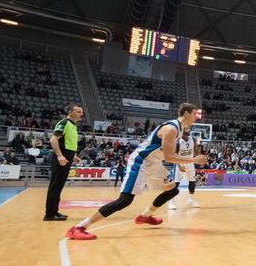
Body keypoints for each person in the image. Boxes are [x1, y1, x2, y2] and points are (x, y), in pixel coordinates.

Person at [64, 103, 208, 240]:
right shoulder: (171, 128)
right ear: (187, 113)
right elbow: (168, 156)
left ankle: (145, 216)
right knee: (125, 200)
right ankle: (79, 227)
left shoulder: (180, 129)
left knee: (172, 190)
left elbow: (166, 154)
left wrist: (180, 162)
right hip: (141, 162)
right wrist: (194, 160)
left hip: (154, 163)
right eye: (195, 114)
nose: (197, 117)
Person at [44, 104, 84, 221]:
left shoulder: (73, 125)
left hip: (67, 156)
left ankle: (54, 212)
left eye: (81, 112)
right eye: (78, 112)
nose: (81, 114)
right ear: (70, 112)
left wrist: (73, 156)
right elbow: (53, 139)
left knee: (59, 186)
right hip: (62, 158)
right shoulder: (64, 123)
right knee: (55, 186)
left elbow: (66, 143)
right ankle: (50, 214)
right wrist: (60, 156)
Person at [169, 126, 201, 209]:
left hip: (190, 162)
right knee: (176, 183)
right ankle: (171, 202)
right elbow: (173, 154)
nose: (189, 130)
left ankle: (191, 200)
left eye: (189, 128)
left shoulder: (193, 139)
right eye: (187, 129)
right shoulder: (177, 141)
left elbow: (196, 149)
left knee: (192, 181)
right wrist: (179, 165)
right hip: (179, 162)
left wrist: (199, 158)